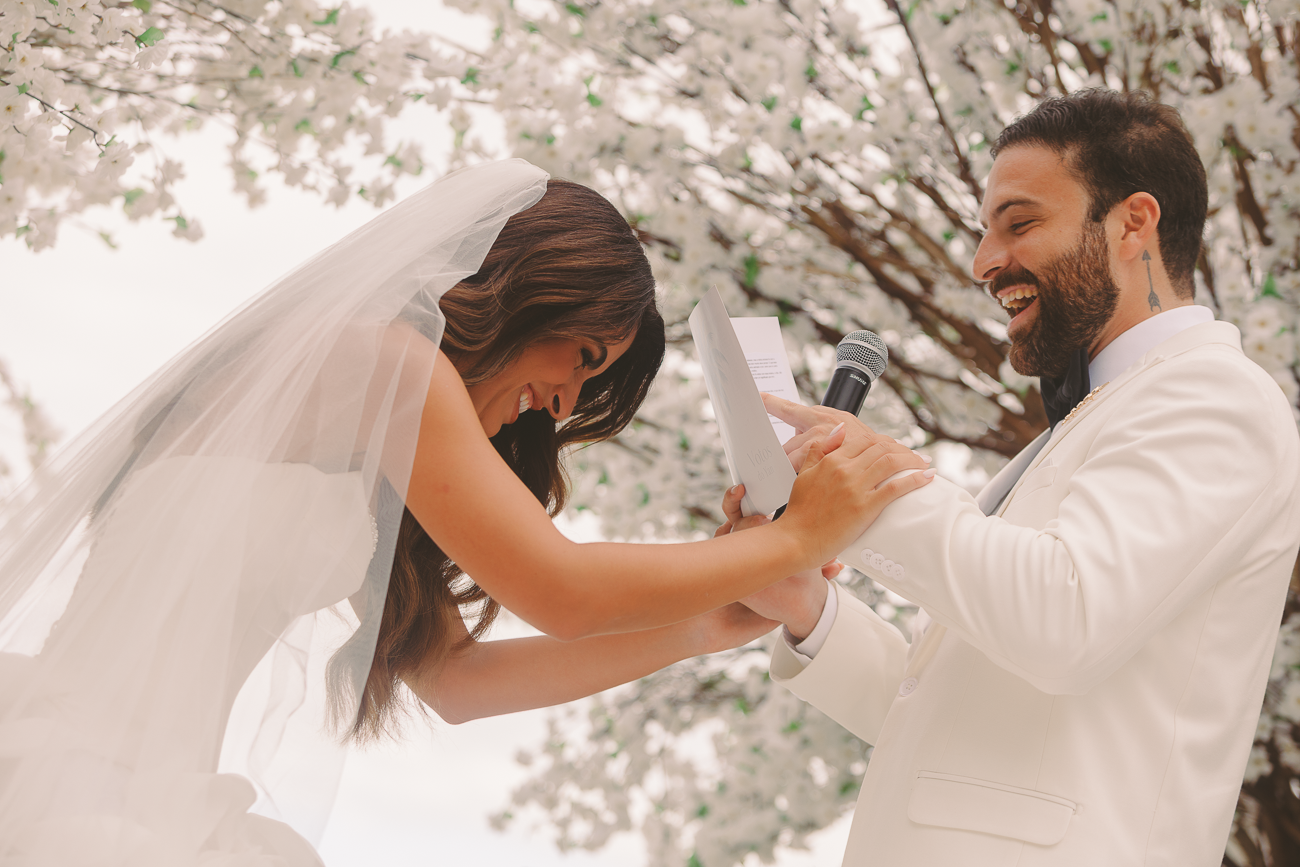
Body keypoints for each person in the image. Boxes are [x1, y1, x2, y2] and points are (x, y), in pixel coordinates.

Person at [0, 158, 931, 865]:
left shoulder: (376, 435)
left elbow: (455, 680)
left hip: (158, 794)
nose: (566, 403)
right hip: (79, 780)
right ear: (534, 288)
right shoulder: (385, 363)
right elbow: (562, 587)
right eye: (586, 357)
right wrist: (802, 535)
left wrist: (707, 623)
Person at [730, 89, 1300, 865]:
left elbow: (1062, 622)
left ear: (1134, 223)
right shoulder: (1089, 419)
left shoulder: (1214, 396)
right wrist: (809, 610)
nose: (983, 262)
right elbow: (948, 702)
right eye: (985, 231)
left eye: (1020, 223)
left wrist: (862, 487)